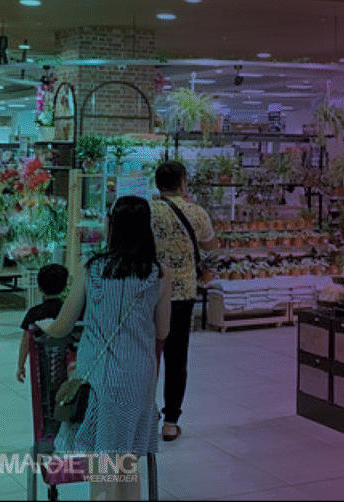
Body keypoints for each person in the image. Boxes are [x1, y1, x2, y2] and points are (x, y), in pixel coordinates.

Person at [38, 196, 171, 501]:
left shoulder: (93, 268)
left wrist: (46, 325)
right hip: (138, 377)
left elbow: (63, 325)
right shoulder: (160, 273)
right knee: (127, 464)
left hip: (98, 379)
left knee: (103, 465)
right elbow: (163, 330)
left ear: (113, 226)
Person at [149, 161, 216, 442]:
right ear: (183, 182)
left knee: (146, 355)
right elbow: (211, 245)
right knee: (177, 357)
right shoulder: (196, 212)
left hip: (150, 291)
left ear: (157, 183)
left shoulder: (147, 211)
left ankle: (144, 413)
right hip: (182, 294)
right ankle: (170, 421)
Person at [16, 263, 69, 383]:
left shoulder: (34, 313)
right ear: (65, 286)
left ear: (39, 287)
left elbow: (25, 340)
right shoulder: (68, 311)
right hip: (66, 362)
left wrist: (20, 366)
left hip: (42, 365)